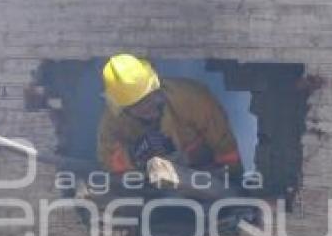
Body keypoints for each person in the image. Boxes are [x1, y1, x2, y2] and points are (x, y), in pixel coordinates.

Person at [97, 54, 241, 176]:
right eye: (137, 106)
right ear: (123, 107)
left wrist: (234, 182)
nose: (147, 109)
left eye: (149, 99)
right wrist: (134, 155)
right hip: (149, 187)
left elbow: (226, 149)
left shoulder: (192, 99)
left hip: (204, 173)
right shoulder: (114, 121)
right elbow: (108, 162)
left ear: (156, 87)